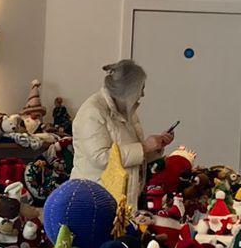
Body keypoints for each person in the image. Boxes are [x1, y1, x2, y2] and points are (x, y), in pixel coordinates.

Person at [70, 59, 174, 210]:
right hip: (96, 201)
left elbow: (132, 155)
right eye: (141, 88)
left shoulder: (127, 111)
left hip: (123, 200)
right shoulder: (92, 112)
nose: (143, 94)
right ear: (129, 89)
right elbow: (101, 158)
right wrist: (144, 147)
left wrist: (156, 146)